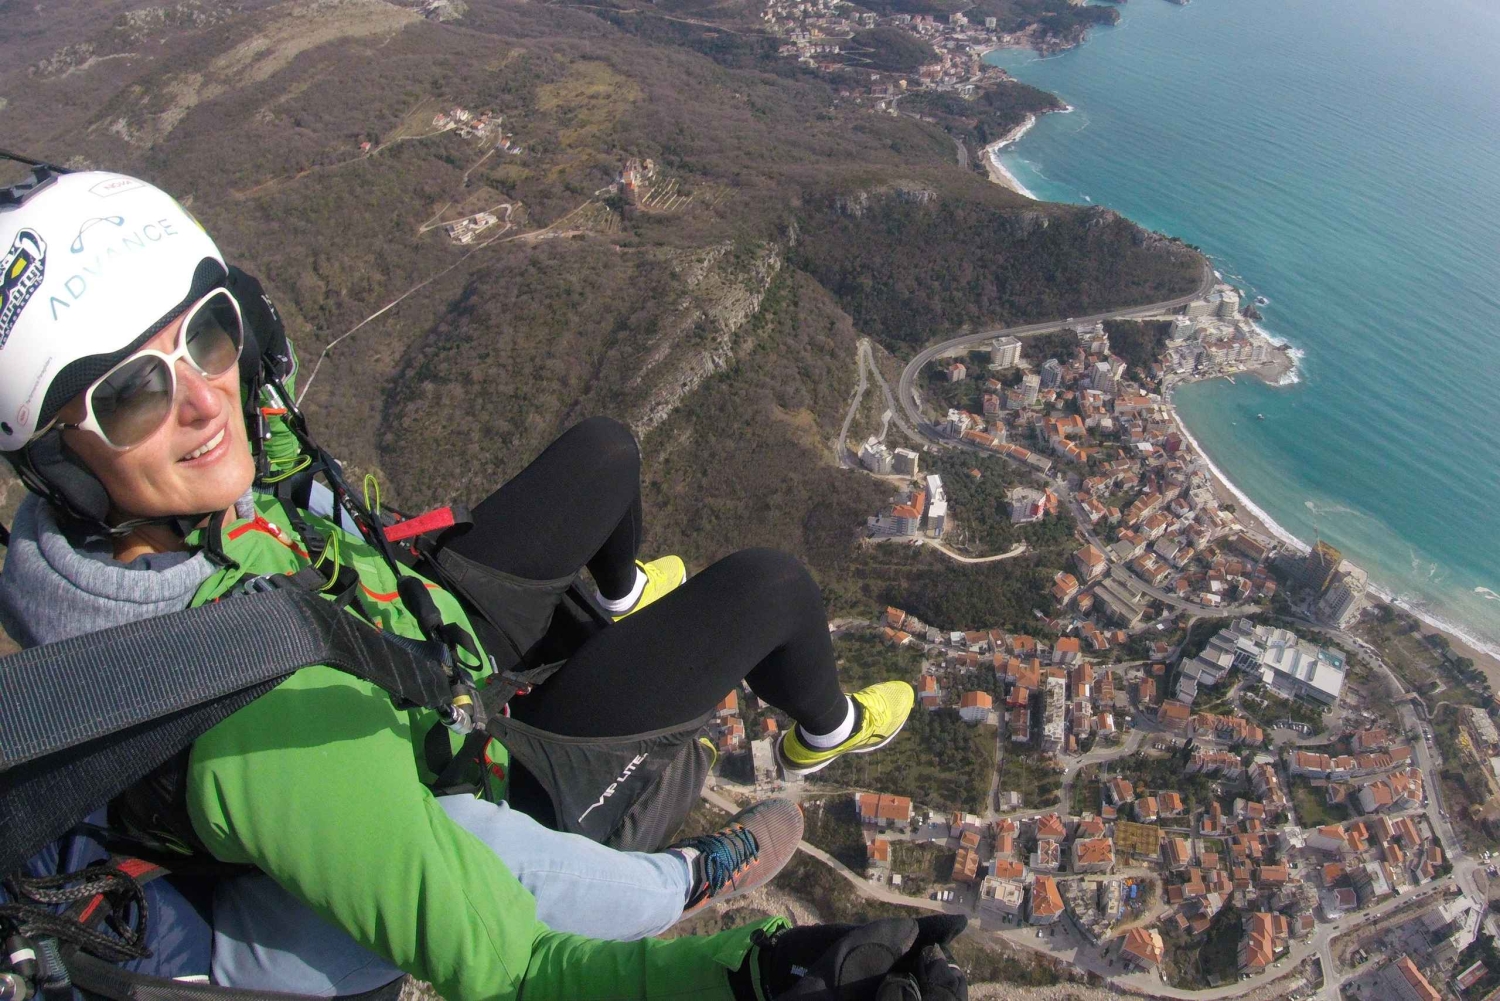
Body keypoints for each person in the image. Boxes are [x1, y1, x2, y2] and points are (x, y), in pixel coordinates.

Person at [0, 167, 947, 1001]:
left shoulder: (118, 540)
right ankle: (815, 743)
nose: (203, 401)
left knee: (605, 453)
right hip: (494, 781)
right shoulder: (257, 724)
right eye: (131, 394)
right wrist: (747, 966)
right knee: (770, 589)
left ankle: (615, 603)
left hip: (420, 639)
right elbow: (513, 963)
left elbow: (261, 434)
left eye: (209, 336)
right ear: (65, 464)